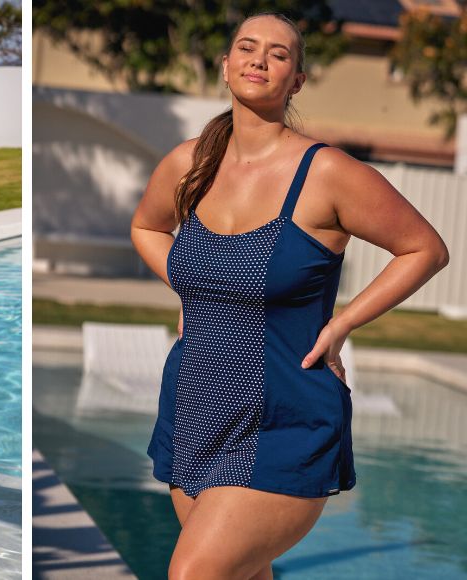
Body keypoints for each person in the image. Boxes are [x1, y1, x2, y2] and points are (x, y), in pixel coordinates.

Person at [131, 11, 450, 580]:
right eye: (246, 48)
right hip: (194, 404)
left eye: (278, 54)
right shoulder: (189, 164)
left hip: (286, 416)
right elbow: (147, 228)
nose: (259, 59)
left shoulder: (326, 172)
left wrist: (343, 323)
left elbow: (424, 248)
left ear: (297, 79)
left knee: (192, 574)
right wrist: (188, 292)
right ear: (225, 66)